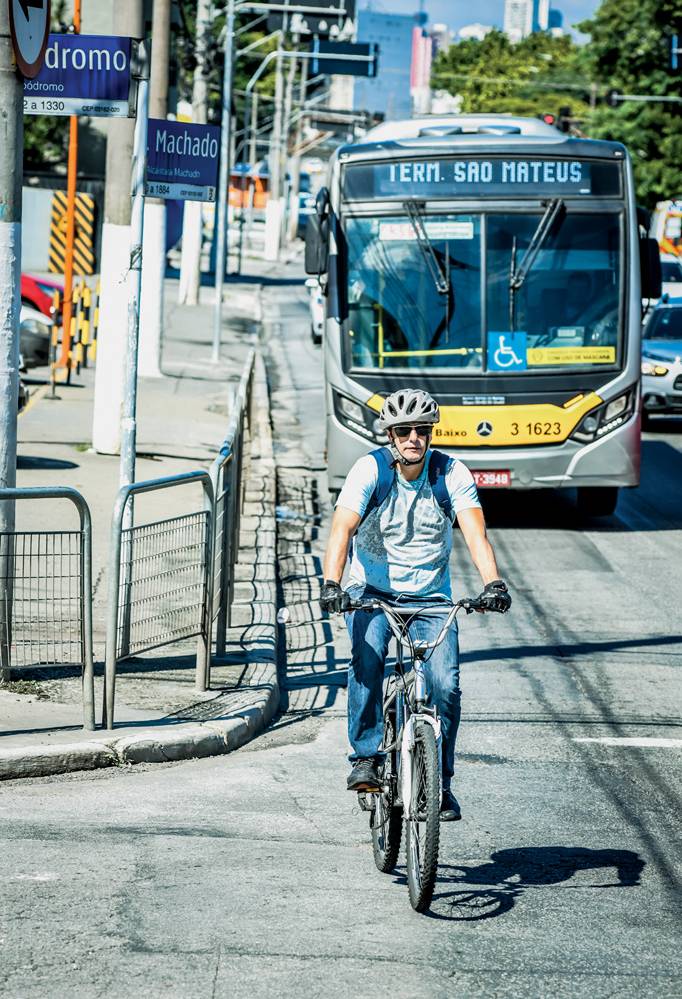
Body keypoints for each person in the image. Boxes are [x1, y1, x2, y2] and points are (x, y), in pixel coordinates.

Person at [319, 388, 511, 821]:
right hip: (372, 592)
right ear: (390, 434)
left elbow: (476, 535)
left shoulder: (451, 473)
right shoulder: (369, 470)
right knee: (367, 662)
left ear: (430, 434)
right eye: (403, 430)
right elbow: (341, 530)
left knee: (446, 686)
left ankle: (440, 784)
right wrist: (333, 585)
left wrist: (493, 582)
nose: (413, 438)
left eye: (422, 431)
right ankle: (365, 757)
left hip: (432, 598)